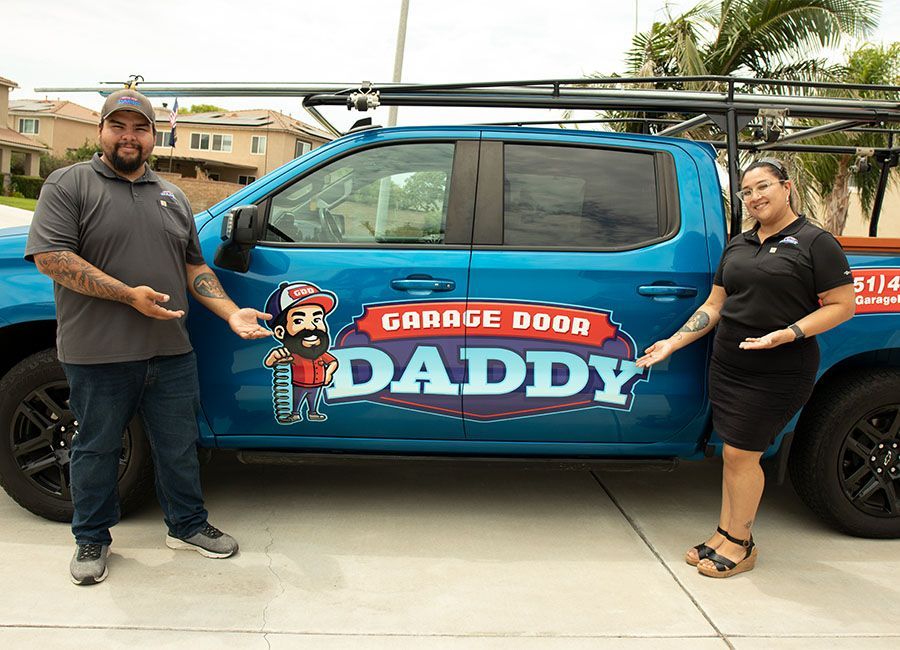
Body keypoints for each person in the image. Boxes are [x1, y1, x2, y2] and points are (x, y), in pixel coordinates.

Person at [24, 89, 272, 585]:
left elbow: (193, 265)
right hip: (98, 351)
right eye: (119, 126)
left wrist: (228, 312)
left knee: (179, 443)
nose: (129, 136)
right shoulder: (69, 183)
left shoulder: (172, 195)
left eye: (140, 128)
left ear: (154, 136)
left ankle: (186, 525)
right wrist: (127, 295)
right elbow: (53, 257)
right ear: (101, 131)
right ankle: (91, 539)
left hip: (170, 350)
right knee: (94, 447)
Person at [636, 158, 856, 578]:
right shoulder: (739, 244)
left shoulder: (815, 242)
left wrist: (788, 333)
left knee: (742, 452)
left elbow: (844, 306)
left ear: (786, 187)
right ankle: (724, 533)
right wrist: (672, 343)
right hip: (730, 365)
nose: (754, 198)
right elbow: (715, 305)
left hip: (780, 366)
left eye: (763, 187)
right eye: (747, 192)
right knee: (733, 455)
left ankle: (742, 544)